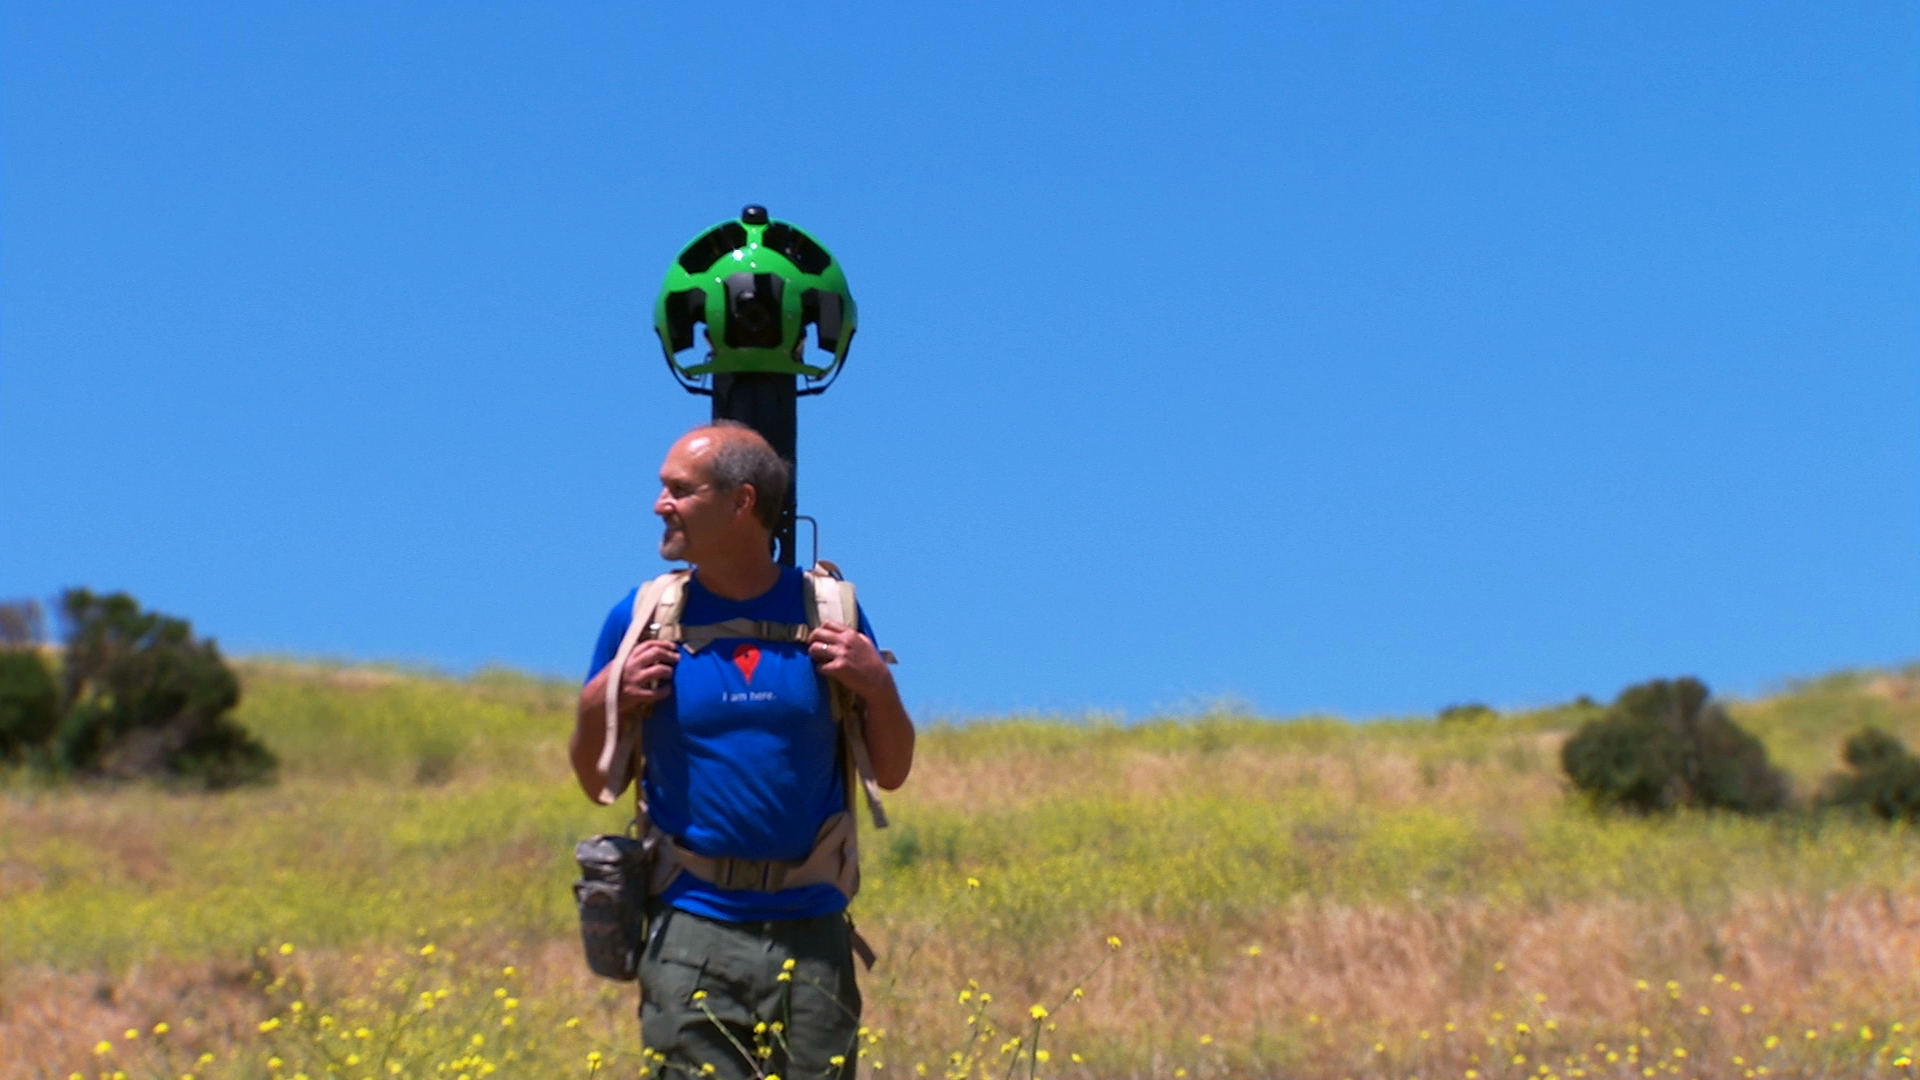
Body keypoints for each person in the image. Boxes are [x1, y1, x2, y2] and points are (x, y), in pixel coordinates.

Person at [571, 421, 914, 1080]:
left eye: (680, 490)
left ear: (741, 502)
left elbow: (892, 770)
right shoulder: (643, 618)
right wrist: (599, 702)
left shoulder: (830, 612)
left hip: (812, 931)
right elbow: (597, 783)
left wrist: (877, 683)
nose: (660, 505)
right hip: (690, 930)